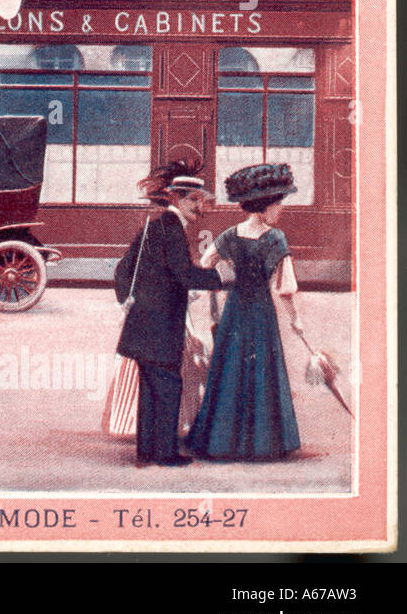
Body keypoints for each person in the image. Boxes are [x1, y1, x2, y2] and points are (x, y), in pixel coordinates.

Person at [187, 163, 304, 460]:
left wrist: (227, 274)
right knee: (261, 370)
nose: (281, 210)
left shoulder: (230, 234)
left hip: (236, 310)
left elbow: (206, 260)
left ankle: (223, 441)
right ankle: (261, 443)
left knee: (230, 369)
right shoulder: (275, 238)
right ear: (265, 206)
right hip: (262, 313)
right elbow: (286, 288)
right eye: (278, 204)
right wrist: (296, 320)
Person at [115, 159, 224, 467]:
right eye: (193, 200)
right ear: (176, 197)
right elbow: (183, 274)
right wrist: (218, 278)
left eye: (200, 201)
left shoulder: (153, 225)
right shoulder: (173, 228)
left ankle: (145, 452)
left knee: (150, 390)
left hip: (141, 325)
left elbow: (123, 270)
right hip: (161, 327)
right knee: (167, 386)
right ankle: (164, 454)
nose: (199, 207)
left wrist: (128, 301)